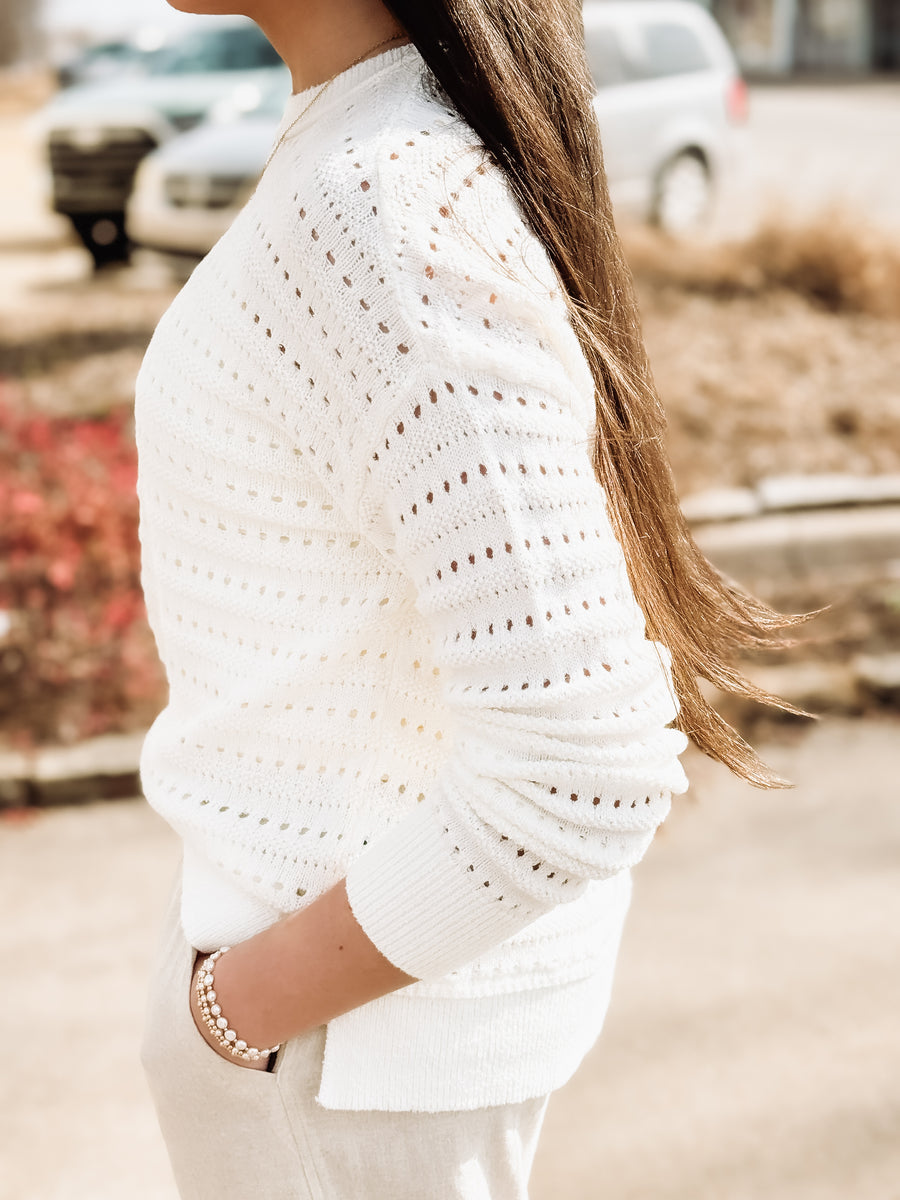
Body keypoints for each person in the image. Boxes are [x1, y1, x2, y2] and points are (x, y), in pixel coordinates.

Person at [136, 1, 798, 1196]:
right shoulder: (375, 152)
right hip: (343, 1050)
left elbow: (578, 763)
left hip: (336, 1063)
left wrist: (238, 1012)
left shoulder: (381, 207)